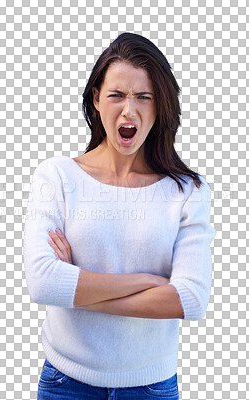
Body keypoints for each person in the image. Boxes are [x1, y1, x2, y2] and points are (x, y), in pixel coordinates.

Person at [23, 32, 217, 400]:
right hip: (66, 383)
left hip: (151, 386)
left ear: (159, 106)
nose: (129, 110)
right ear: (96, 99)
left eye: (143, 97)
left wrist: (77, 289)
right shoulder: (57, 177)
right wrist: (148, 280)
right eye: (117, 95)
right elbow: (43, 283)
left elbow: (191, 299)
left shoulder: (188, 191)